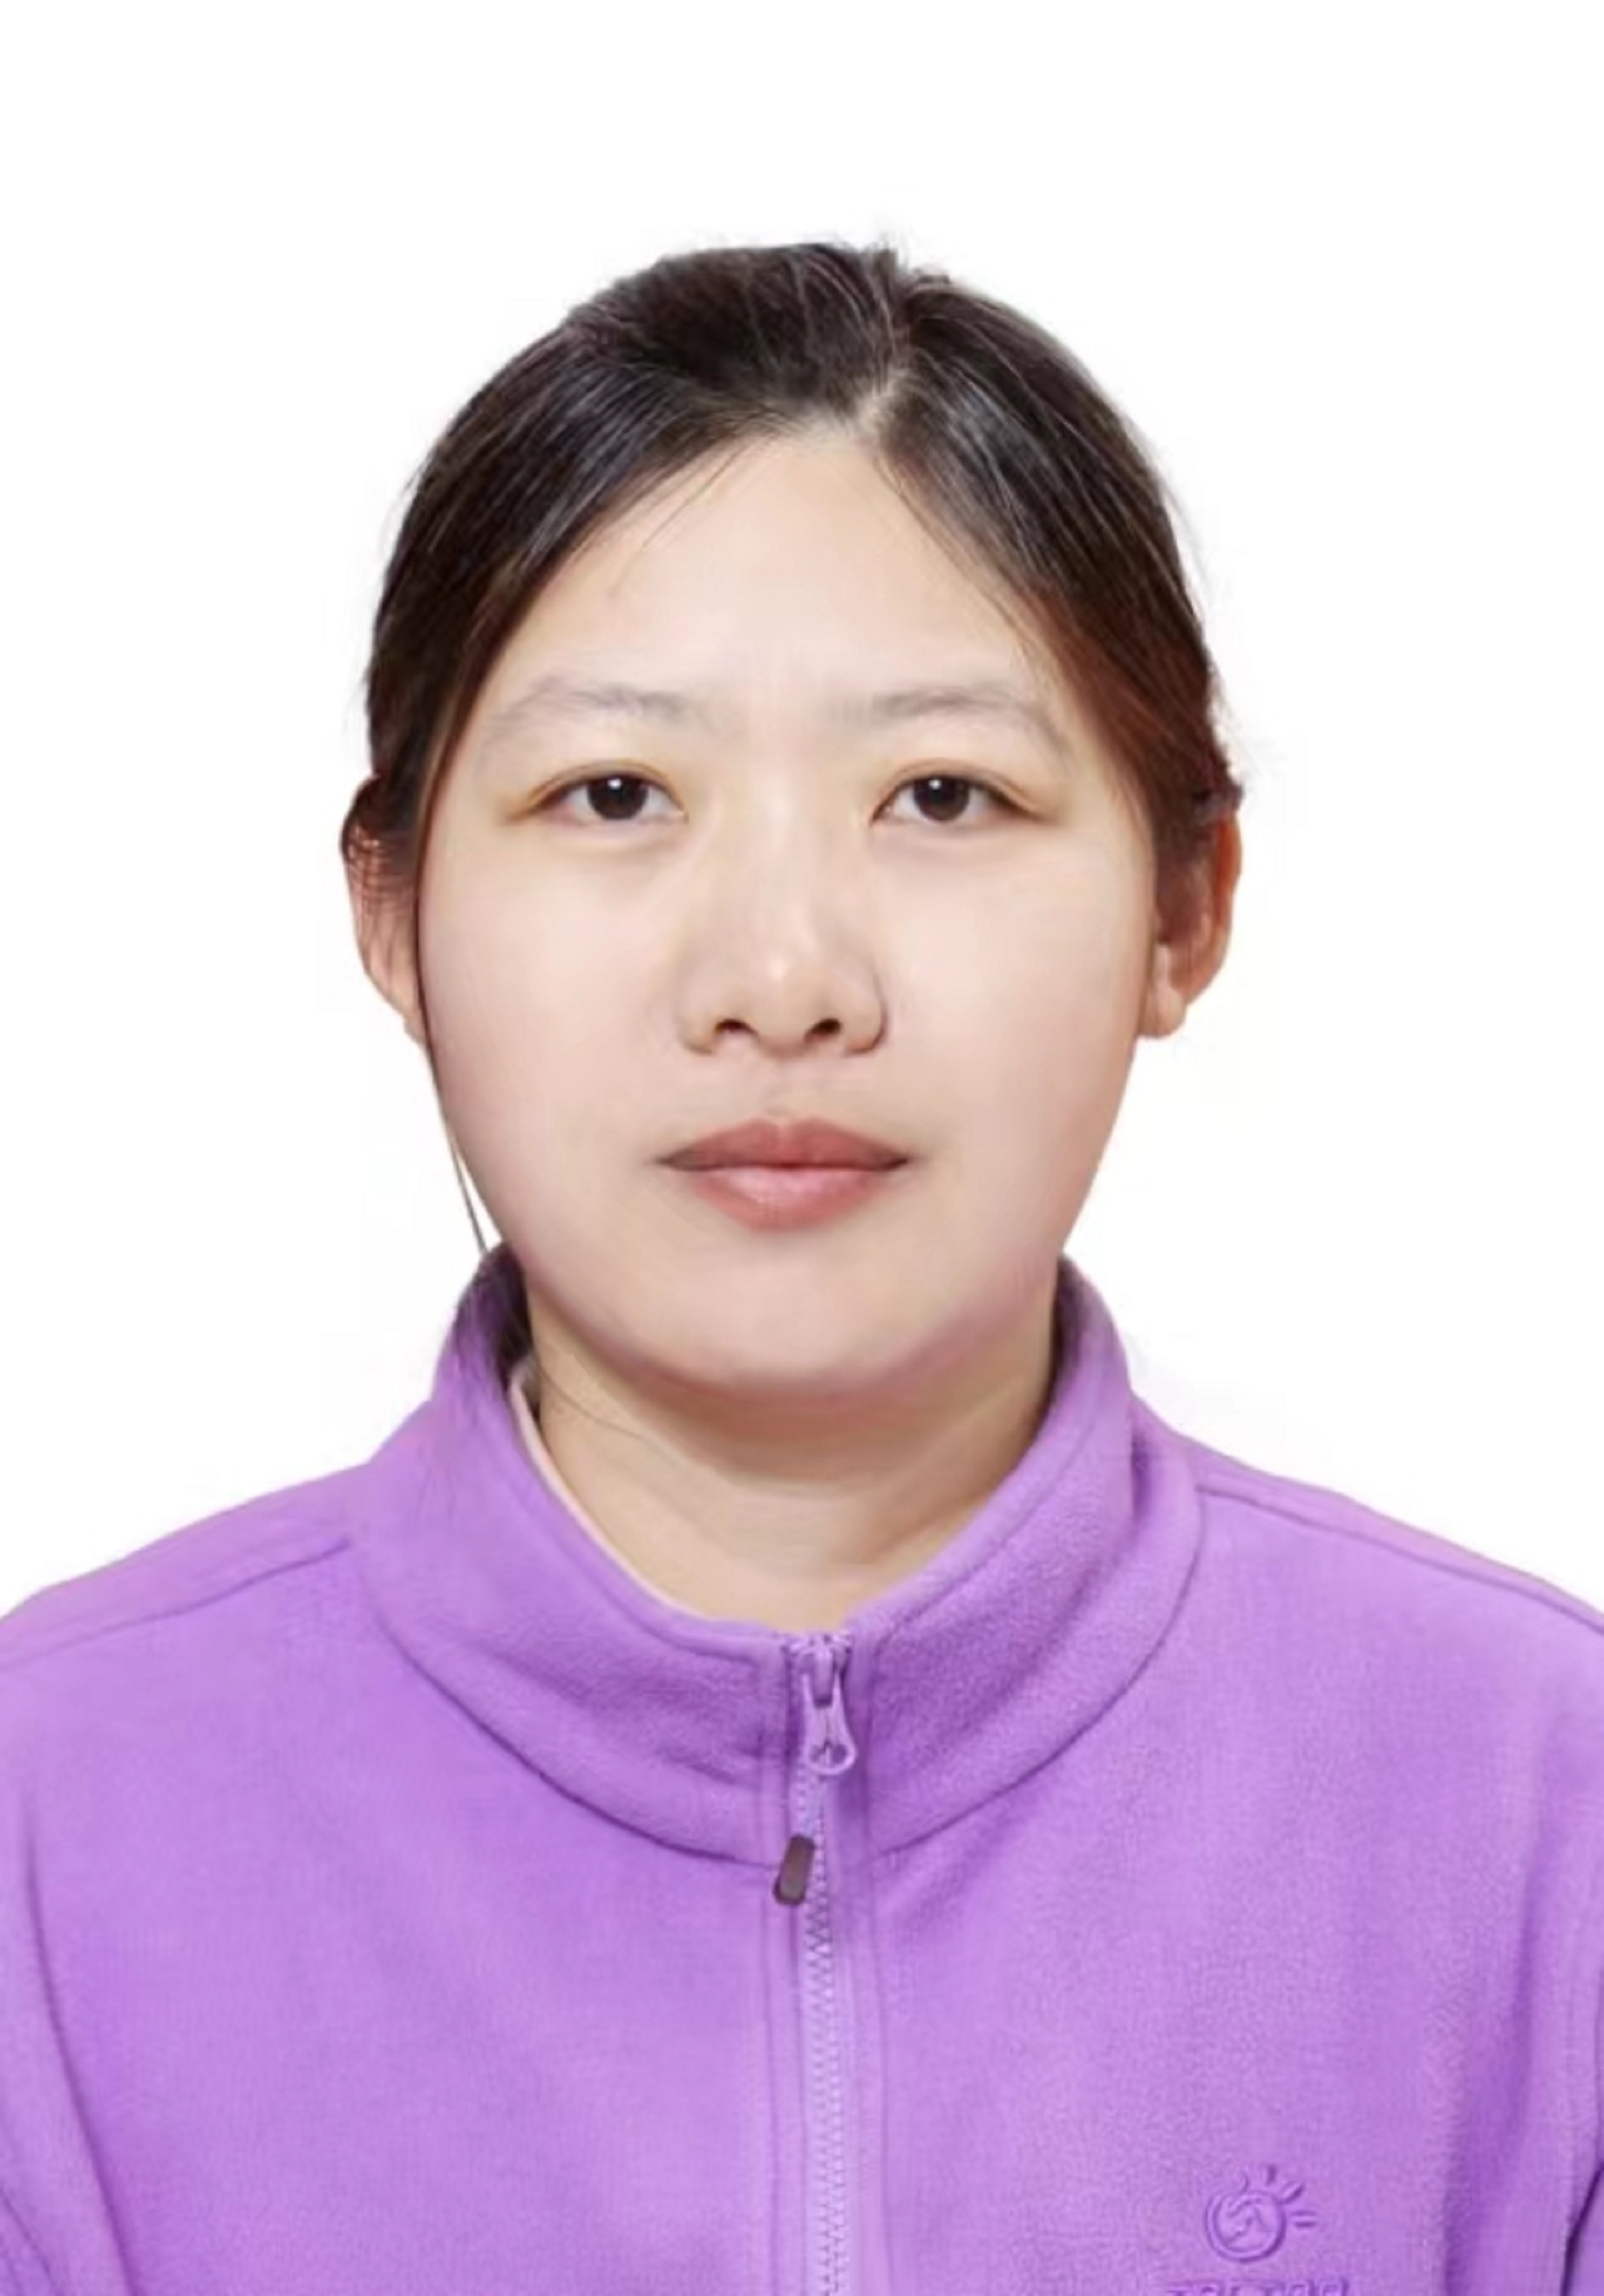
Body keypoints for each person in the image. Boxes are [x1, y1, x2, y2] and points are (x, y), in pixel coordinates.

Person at [1, 237, 1600, 2294]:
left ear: (1185, 907)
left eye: (942, 795)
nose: (780, 977)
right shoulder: (47, 1828)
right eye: (612, 794)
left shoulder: (1543, 1812)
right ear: (393, 911)